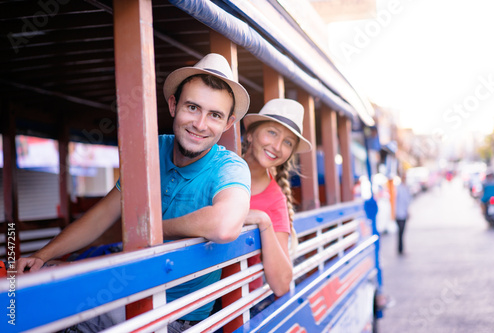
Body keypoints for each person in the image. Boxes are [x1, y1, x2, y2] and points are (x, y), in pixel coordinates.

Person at [15, 53, 252, 331]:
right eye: (192, 107)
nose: (200, 124)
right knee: (37, 300)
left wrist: (150, 230)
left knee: (43, 312)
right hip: (128, 291)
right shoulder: (151, 149)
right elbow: (101, 216)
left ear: (228, 123)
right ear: (174, 105)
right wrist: (42, 255)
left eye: (214, 115)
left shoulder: (230, 167)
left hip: (177, 315)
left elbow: (224, 226)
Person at [241, 98, 312, 304]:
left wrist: (264, 221)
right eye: (272, 132)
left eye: (288, 142)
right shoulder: (218, 167)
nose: (277, 146)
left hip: (240, 306)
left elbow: (281, 283)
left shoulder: (275, 200)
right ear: (251, 134)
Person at [395, 172, 412, 255]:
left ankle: (401, 248)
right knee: (400, 231)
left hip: (403, 213)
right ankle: (400, 249)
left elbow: (407, 201)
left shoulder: (406, 188)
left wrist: (408, 211)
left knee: (402, 232)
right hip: (398, 213)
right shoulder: (398, 188)